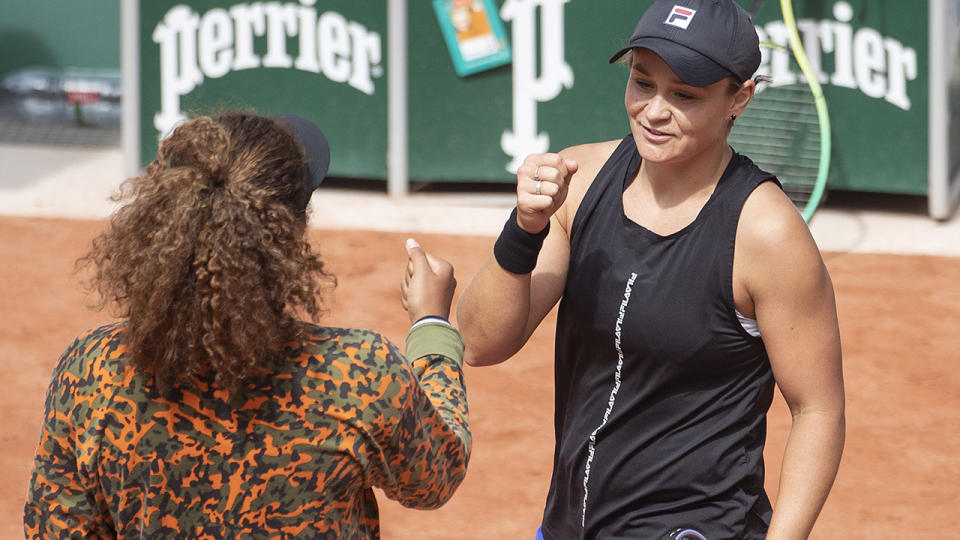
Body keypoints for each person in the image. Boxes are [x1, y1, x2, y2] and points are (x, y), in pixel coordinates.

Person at [456, 1, 844, 538]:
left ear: (741, 98)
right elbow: (478, 344)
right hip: (567, 525)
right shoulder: (581, 180)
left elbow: (817, 410)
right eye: (643, 83)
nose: (654, 111)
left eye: (684, 95)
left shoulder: (767, 234)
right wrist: (524, 230)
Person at [23, 111, 470, 538]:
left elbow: (57, 528)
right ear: (289, 238)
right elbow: (436, 476)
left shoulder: (90, 371)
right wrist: (431, 326)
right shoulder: (356, 374)